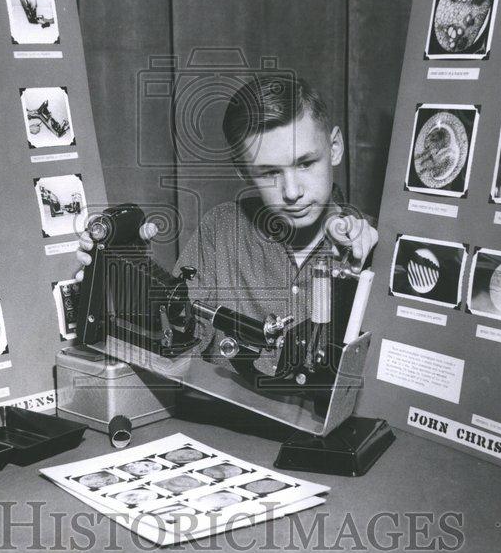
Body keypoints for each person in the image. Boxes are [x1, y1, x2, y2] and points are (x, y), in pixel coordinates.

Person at [76, 73, 378, 365]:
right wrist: (117, 276)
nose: (292, 192)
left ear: (335, 147)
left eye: (306, 163)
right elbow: (178, 339)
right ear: (243, 171)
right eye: (271, 172)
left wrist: (364, 267)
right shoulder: (220, 230)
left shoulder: (376, 242)